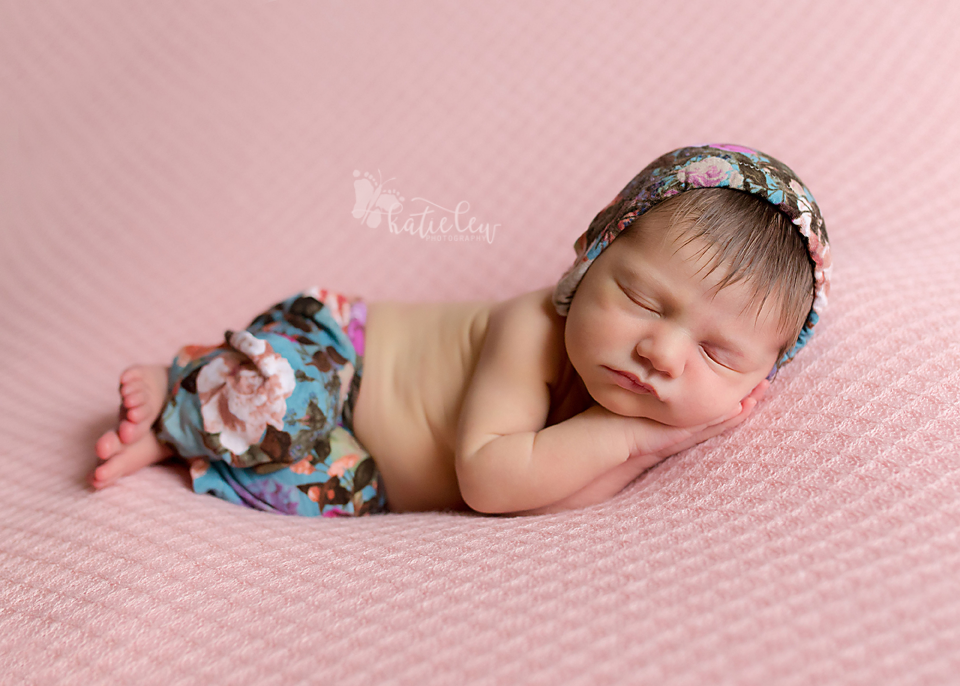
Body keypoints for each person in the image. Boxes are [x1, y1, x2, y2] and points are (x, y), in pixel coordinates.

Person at [91, 144, 831, 517]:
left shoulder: (640, 402)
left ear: (761, 378)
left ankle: (194, 433)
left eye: (716, 353)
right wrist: (638, 439)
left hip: (365, 464)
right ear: (590, 261)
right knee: (292, 399)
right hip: (338, 359)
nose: (660, 351)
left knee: (328, 495)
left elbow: (545, 495)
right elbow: (487, 476)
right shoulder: (534, 327)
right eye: (639, 298)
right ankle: (183, 390)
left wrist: (640, 448)